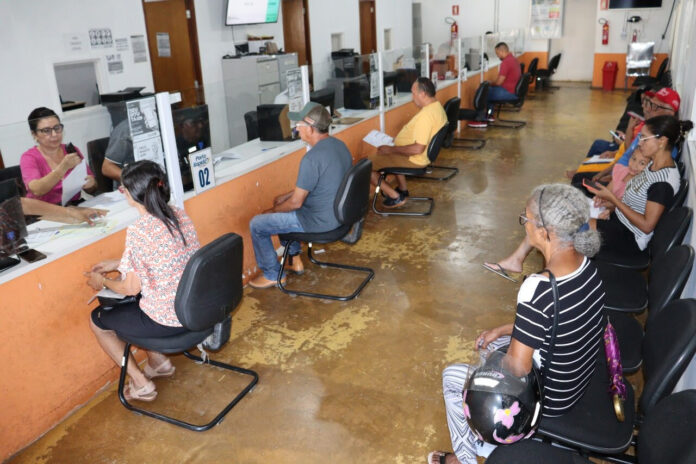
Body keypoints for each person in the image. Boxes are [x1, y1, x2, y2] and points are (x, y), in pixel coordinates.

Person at [429, 184, 605, 464]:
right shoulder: (587, 265)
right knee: (494, 346)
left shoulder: (538, 288)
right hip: (576, 379)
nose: (524, 225)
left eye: (526, 219)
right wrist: (502, 331)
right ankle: (488, 443)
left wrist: (491, 362)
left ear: (545, 232)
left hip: (549, 398)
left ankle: (463, 459)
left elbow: (517, 368)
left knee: (452, 378)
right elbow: (554, 325)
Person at [486, 115, 690, 279]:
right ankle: (522, 261)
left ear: (662, 141)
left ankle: (548, 278)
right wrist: (610, 204)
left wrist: (613, 200)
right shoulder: (653, 164)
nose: (640, 142)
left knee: (558, 227)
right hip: (618, 221)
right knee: (555, 214)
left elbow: (646, 225)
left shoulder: (663, 182)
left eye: (644, 138)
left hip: (629, 239)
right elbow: (636, 202)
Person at [84, 160, 200, 402]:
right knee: (142, 300)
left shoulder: (140, 230)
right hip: (196, 308)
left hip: (168, 320)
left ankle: (140, 383)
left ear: (129, 193)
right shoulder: (178, 214)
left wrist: (102, 282)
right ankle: (159, 362)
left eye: (122, 188)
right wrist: (119, 263)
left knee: (98, 320)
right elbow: (164, 255)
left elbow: (129, 287)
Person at [248, 102, 352, 289]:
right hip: (340, 216)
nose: (296, 129)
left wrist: (273, 211)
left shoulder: (311, 158)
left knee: (258, 224)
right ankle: (294, 260)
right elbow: (320, 183)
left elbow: (296, 203)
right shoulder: (339, 145)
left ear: (311, 129)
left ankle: (273, 274)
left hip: (319, 222)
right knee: (283, 206)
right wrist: (286, 197)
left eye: (299, 125)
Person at [368, 77, 447, 208]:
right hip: (420, 157)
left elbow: (417, 149)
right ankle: (402, 190)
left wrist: (390, 149)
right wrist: (396, 143)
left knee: (366, 166)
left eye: (413, 93)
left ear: (423, 94)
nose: (412, 97)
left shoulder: (426, 116)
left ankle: (396, 197)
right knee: (395, 151)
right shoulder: (436, 108)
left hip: (415, 159)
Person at [20, 107, 97, 205]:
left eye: (57, 128)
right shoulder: (29, 157)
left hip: (73, 205)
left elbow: (93, 188)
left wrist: (91, 184)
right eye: (46, 130)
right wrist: (62, 168)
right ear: (34, 134)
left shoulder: (71, 150)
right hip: (47, 210)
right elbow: (36, 190)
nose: (54, 134)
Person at [485, 42, 521, 123]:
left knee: (484, 92)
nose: (498, 56)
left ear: (502, 51)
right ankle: (489, 115)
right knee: (489, 92)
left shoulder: (506, 62)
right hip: (514, 92)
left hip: (508, 93)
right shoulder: (514, 59)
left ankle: (481, 118)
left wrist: (489, 83)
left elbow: (498, 83)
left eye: (497, 54)